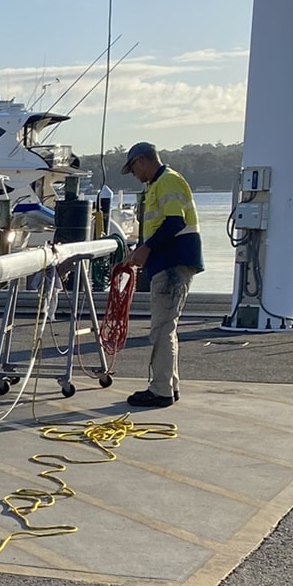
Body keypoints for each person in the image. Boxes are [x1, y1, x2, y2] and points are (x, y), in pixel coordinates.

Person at [122, 141, 203, 409]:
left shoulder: (166, 181)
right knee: (167, 327)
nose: (134, 175)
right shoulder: (158, 184)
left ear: (142, 161)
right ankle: (169, 385)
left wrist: (146, 248)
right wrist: (139, 253)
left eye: (133, 168)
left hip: (172, 263)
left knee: (161, 329)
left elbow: (174, 221)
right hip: (171, 261)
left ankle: (160, 390)